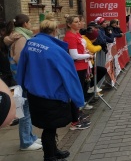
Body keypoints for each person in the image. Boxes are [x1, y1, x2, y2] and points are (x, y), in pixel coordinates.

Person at [16, 13, 84, 161]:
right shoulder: (57, 51)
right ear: (54, 32)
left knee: (50, 127)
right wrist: (78, 99)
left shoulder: (30, 44)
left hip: (34, 93)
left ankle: (54, 150)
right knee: (50, 128)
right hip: (52, 95)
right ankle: (49, 156)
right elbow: (70, 77)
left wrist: (21, 87)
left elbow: (22, 67)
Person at [3, 14, 41, 151]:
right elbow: (21, 59)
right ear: (25, 24)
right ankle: (26, 141)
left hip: (18, 77)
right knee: (25, 110)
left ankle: (30, 136)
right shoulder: (21, 38)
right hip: (21, 78)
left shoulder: (16, 35)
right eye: (29, 22)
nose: (30, 25)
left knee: (26, 109)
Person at [63, 15, 94, 125]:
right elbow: (74, 55)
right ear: (69, 24)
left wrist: (87, 54)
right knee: (76, 92)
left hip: (83, 66)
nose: (79, 23)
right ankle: (75, 120)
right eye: (75, 22)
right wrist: (87, 55)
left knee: (80, 90)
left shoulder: (76, 34)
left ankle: (78, 113)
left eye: (78, 22)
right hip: (77, 67)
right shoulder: (70, 36)